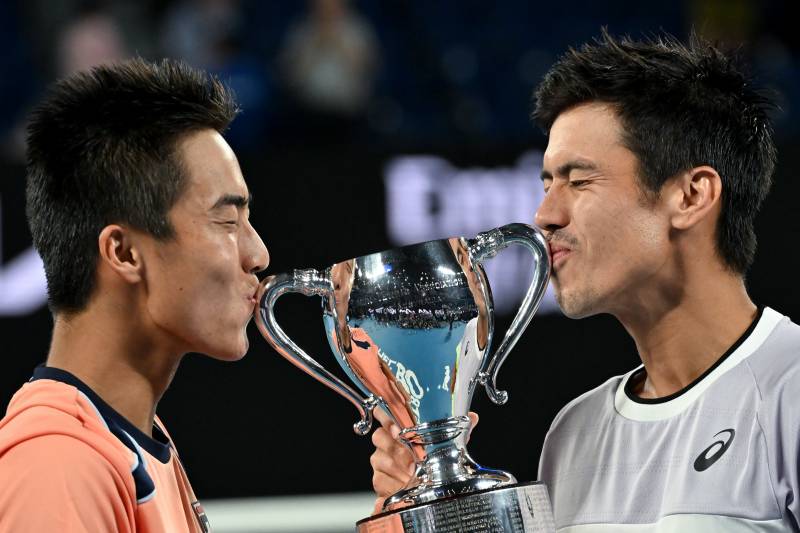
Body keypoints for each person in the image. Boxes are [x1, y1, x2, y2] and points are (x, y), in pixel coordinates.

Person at [369, 30, 800, 531]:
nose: (545, 214)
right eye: (547, 182)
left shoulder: (791, 390)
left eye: (579, 180)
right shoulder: (573, 434)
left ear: (690, 195)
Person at [0, 58, 269, 532]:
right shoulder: (59, 464)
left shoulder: (132, 438)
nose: (258, 254)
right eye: (227, 220)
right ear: (123, 252)